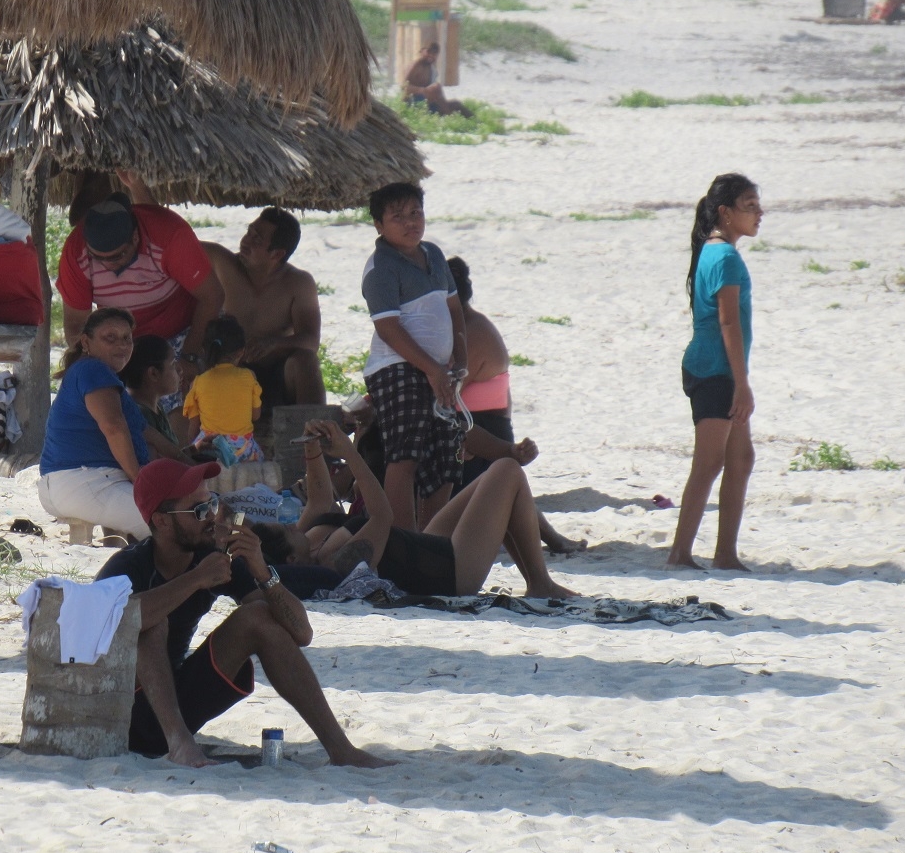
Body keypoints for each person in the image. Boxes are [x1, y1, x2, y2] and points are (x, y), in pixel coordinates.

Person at [97, 459, 393, 769]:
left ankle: (340, 749)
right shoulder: (126, 567)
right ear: (162, 521)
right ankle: (179, 744)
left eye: (212, 503)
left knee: (259, 615)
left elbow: (302, 633)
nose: (211, 517)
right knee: (147, 623)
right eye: (199, 511)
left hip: (171, 704)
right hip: (118, 714)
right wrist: (195, 579)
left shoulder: (210, 555)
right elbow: (109, 628)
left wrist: (262, 571)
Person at [254, 420, 577, 601]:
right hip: (452, 572)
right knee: (506, 470)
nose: (293, 526)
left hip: (428, 546)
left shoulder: (310, 539)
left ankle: (538, 580)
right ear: (292, 561)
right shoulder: (333, 557)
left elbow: (320, 501)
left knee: (493, 483)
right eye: (286, 531)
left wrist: (312, 450)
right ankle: (540, 582)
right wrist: (351, 454)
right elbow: (382, 516)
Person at [447, 256, 586, 555]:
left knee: (498, 486)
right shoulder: (462, 326)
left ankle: (551, 538)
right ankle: (551, 538)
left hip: (483, 432)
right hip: (472, 426)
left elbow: (444, 395)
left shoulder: (473, 331)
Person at [667, 174, 763, 571]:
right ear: (726, 212)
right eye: (750, 206)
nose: (759, 214)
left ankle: (725, 553)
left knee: (740, 459)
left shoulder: (715, 251)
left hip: (714, 368)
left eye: (758, 205)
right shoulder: (723, 256)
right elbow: (728, 325)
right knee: (708, 464)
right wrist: (742, 385)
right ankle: (679, 554)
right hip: (714, 371)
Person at [360, 181, 468, 531]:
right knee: (405, 455)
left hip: (439, 371)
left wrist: (459, 360)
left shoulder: (434, 254)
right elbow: (388, 329)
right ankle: (404, 539)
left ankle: (431, 536)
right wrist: (432, 370)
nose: (410, 223)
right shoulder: (380, 267)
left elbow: (454, 310)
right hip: (396, 367)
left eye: (415, 213)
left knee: (445, 456)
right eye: (398, 217)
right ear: (379, 225)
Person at [56, 192, 225, 414]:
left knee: (179, 396)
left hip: (185, 329)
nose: (107, 265)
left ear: (135, 238)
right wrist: (95, 366)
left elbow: (213, 297)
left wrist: (189, 356)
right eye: (98, 258)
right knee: (96, 400)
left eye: (116, 257)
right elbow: (77, 325)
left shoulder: (168, 234)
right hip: (124, 340)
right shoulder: (76, 251)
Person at [37, 308, 151, 539]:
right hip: (87, 482)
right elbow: (114, 427)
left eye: (126, 339)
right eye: (110, 338)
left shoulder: (95, 373)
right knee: (172, 524)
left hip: (73, 484)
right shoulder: (93, 369)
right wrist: (139, 480)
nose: (121, 345)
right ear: (86, 342)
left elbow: (145, 431)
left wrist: (182, 457)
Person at [202, 207, 326, 407]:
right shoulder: (224, 264)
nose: (246, 241)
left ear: (276, 254)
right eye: (249, 232)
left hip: (279, 374)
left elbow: (311, 341)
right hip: (232, 370)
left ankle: (317, 430)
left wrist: (273, 343)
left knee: (306, 361)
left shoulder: (298, 282)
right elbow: (175, 239)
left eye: (257, 239)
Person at [184, 315, 263, 462]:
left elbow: (193, 427)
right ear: (241, 351)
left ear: (204, 350)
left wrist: (192, 452)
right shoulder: (249, 376)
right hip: (242, 451)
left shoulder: (197, 382)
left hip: (209, 449)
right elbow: (255, 416)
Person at [119, 334, 190, 463]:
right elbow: (158, 467)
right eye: (173, 364)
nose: (180, 370)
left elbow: (170, 453)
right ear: (153, 373)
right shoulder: (140, 414)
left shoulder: (156, 407)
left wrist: (196, 449)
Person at [402, 43, 472, 118]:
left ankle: (475, 121)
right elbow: (404, 86)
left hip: (427, 102)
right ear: (422, 51)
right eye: (429, 52)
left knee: (456, 104)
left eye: (434, 53)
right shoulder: (416, 65)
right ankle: (448, 116)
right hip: (413, 102)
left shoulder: (431, 69)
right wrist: (423, 90)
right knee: (436, 87)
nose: (431, 55)